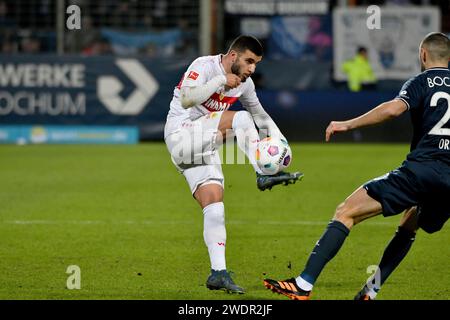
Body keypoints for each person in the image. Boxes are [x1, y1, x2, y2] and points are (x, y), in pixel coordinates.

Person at [264, 32, 450, 300]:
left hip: (422, 171)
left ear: (423, 55)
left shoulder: (421, 82)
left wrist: (347, 124)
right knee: (411, 222)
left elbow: (393, 110)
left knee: (347, 211)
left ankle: (303, 285)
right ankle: (371, 291)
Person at [164, 35, 302, 294]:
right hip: (180, 135)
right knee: (239, 119)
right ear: (233, 56)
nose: (252, 68)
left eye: (256, 63)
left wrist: (281, 140)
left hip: (204, 143)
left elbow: (260, 114)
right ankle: (261, 174)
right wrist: (219, 80)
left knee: (214, 204)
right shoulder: (204, 66)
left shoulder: (244, 85)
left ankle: (218, 273)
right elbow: (186, 100)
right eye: (249, 61)